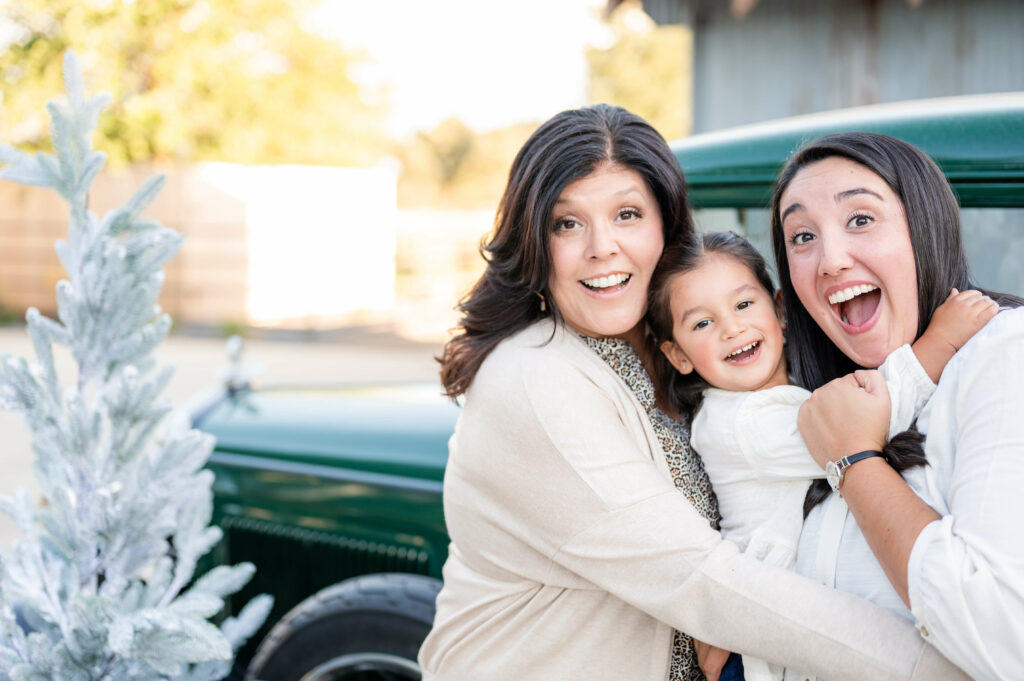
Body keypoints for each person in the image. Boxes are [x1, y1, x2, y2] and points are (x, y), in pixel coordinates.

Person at [418, 105, 969, 681]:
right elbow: (702, 583)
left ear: (667, 226)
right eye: (567, 223)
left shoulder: (681, 353)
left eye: (627, 214)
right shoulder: (534, 380)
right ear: (534, 238)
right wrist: (945, 667)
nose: (602, 247)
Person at [646, 230, 996, 681]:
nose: (732, 328)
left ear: (779, 309)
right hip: (762, 655)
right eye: (701, 324)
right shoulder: (737, 423)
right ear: (678, 355)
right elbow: (858, 423)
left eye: (743, 305)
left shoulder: (796, 386)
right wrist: (939, 343)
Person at [770, 131, 1024, 681]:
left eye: (860, 219)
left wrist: (856, 463)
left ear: (924, 228)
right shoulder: (812, 403)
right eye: (802, 236)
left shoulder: (1005, 354)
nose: (831, 260)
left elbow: (1007, 635)